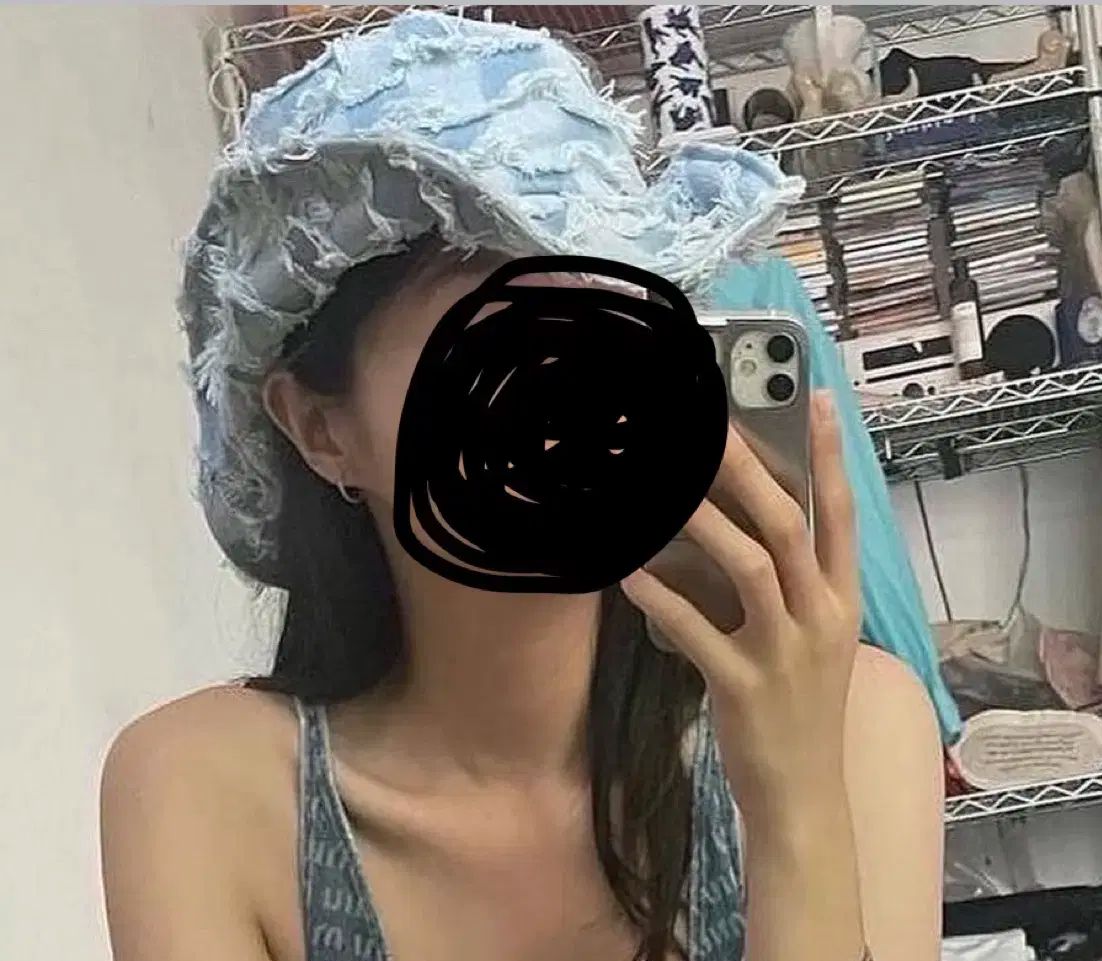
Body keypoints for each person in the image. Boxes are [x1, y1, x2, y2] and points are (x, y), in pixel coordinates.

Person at [100, 12, 942, 961]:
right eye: (504, 335)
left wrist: (795, 810)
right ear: (321, 427)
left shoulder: (856, 729)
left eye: (607, 321)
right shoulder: (205, 794)